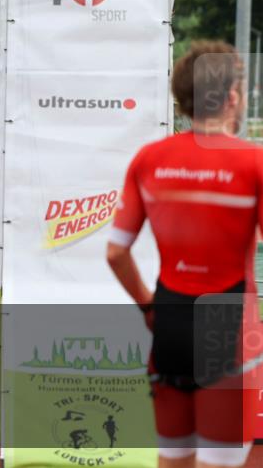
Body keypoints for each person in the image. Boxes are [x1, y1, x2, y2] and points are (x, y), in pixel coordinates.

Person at [107, 41, 261, 468]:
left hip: (169, 317)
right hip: (227, 328)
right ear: (232, 97)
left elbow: (116, 252)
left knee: (172, 458)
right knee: (220, 460)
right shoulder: (253, 162)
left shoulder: (151, 159)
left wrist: (147, 306)